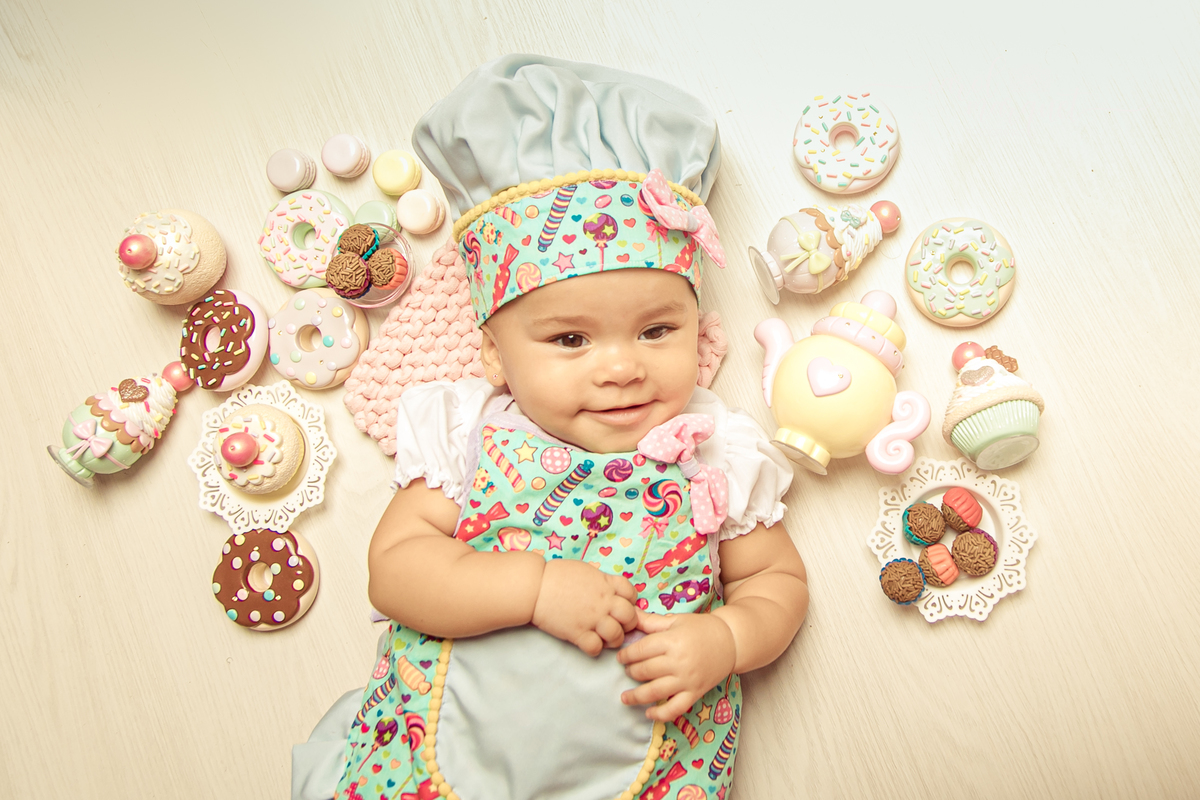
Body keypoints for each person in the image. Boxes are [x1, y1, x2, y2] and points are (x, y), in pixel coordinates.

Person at [329, 55, 808, 800]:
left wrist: (728, 639)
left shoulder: (716, 450)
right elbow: (395, 573)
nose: (621, 369)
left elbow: (775, 579)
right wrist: (532, 588)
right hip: (435, 754)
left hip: (650, 768)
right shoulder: (470, 433)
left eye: (655, 330)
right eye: (570, 341)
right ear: (493, 353)